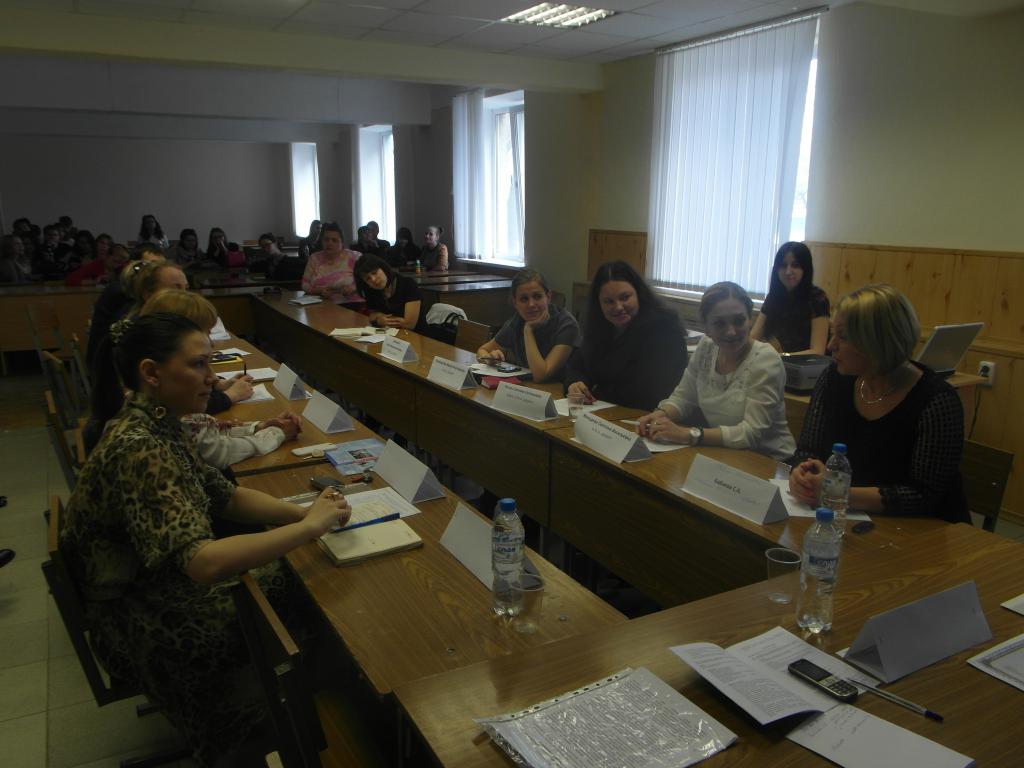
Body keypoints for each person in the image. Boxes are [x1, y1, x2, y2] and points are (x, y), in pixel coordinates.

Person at [60, 312, 351, 766]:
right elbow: (203, 562)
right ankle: (300, 729)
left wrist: (305, 513)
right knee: (310, 592)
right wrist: (308, 528)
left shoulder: (159, 422)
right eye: (198, 364)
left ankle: (311, 713)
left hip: (153, 592)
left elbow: (226, 496)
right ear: (151, 373)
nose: (212, 377)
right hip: (144, 620)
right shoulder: (139, 445)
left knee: (303, 579)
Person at [789, 284, 969, 523]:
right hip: (849, 519)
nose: (831, 345)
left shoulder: (936, 401)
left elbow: (923, 495)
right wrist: (802, 475)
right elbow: (808, 449)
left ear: (877, 343)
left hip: (924, 530)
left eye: (843, 337)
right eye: (833, 333)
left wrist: (838, 492)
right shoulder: (833, 378)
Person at [138, 290, 300, 469]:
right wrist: (277, 433)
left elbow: (207, 430)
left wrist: (258, 427)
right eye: (199, 363)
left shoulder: (166, 406)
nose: (213, 377)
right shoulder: (148, 435)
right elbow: (218, 451)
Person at [637, 281, 796, 460]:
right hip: (726, 456)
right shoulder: (706, 347)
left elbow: (751, 433)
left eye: (739, 321)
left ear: (749, 320)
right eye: (720, 323)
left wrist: (688, 434)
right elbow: (684, 398)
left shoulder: (766, 360)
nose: (731, 332)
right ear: (706, 328)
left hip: (772, 462)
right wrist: (660, 415)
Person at [565, 260, 688, 410]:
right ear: (599, 304)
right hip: (604, 412)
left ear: (639, 294)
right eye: (608, 301)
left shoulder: (665, 330)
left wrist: (597, 391)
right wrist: (575, 383)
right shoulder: (599, 328)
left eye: (625, 297)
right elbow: (577, 366)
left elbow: (647, 393)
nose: (618, 307)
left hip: (645, 415)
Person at [477, 268, 579, 383]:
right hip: (527, 388)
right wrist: (489, 359)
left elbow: (541, 375)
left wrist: (528, 330)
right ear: (515, 303)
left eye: (537, 296)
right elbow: (482, 350)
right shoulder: (517, 321)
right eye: (524, 299)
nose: (531, 304)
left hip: (559, 389)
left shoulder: (566, 324)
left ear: (548, 297)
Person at [85, 245, 166, 370]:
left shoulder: (124, 288)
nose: (157, 272)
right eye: (151, 265)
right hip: (108, 369)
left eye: (161, 266)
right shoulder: (122, 292)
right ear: (134, 265)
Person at [751, 242, 830, 355]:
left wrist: (779, 358)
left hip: (806, 364)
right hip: (778, 360)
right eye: (783, 266)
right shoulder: (773, 296)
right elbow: (754, 337)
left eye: (795, 265)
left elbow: (818, 351)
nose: (788, 272)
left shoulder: (817, 298)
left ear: (805, 269)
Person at [353, 254, 426, 332]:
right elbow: (371, 315)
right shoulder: (371, 290)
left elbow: (409, 324)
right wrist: (378, 318)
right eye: (368, 278)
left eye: (374, 273)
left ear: (383, 268)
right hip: (389, 334)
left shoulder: (408, 284)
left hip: (418, 335)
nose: (373, 279)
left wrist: (380, 320)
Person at [300, 222, 363, 304]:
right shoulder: (314, 258)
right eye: (326, 240)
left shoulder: (355, 257)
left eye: (334, 240)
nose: (329, 243)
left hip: (351, 304)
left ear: (342, 243)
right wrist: (318, 290)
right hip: (320, 304)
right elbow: (305, 284)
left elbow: (365, 281)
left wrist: (353, 288)